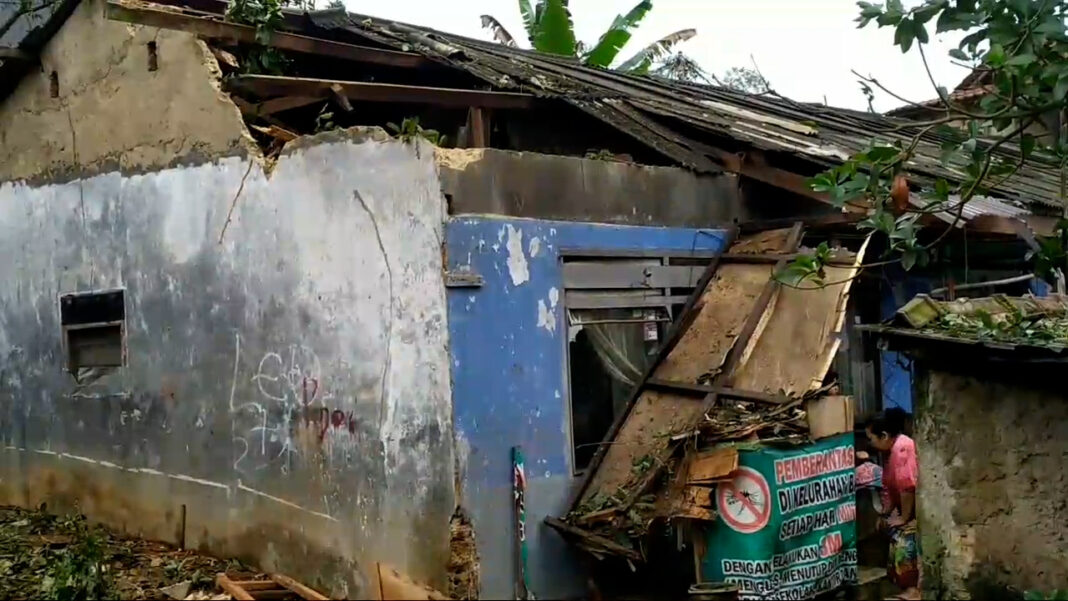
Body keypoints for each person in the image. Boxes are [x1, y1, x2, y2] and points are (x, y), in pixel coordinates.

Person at [866, 408, 920, 600]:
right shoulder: (891, 451)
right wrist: (885, 514)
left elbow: (907, 487)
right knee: (891, 530)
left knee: (904, 536)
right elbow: (890, 488)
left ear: (884, 436)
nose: (870, 442)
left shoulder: (901, 449)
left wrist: (904, 518)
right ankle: (905, 587)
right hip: (904, 508)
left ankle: (913, 590)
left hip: (914, 510)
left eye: (872, 438)